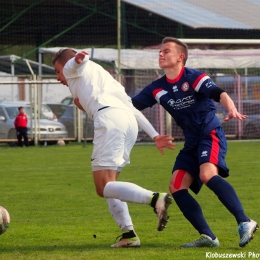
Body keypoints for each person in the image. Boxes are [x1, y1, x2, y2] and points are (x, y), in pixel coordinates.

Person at [131, 37, 259, 248]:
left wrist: (231, 107)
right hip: (191, 141)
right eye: (160, 51)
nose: (160, 54)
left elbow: (219, 93)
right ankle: (208, 236)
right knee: (176, 186)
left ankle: (245, 221)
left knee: (207, 174)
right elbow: (130, 105)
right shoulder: (157, 88)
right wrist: (96, 101)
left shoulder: (193, 77)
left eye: (166, 51)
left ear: (181, 57)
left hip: (209, 134)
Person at [52, 49, 175, 248]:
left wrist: (78, 58)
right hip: (127, 123)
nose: (59, 77)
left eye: (57, 71)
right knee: (111, 185)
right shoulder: (104, 78)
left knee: (102, 188)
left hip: (110, 120)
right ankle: (129, 235)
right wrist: (154, 135)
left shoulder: (72, 68)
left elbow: (74, 63)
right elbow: (132, 109)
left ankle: (155, 199)